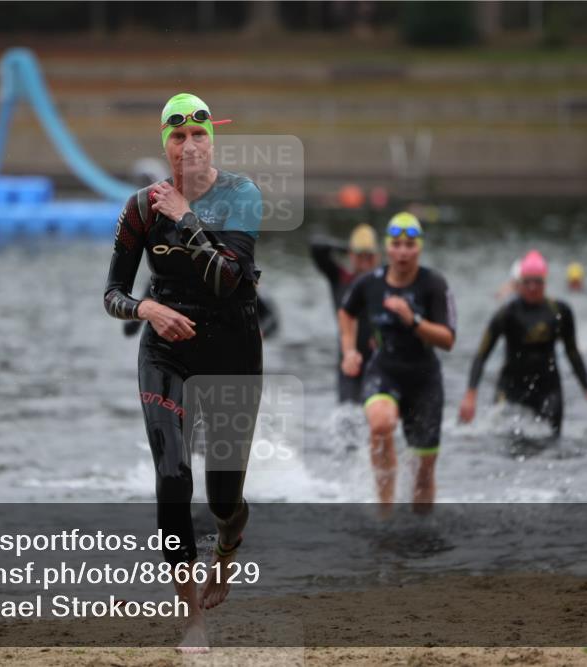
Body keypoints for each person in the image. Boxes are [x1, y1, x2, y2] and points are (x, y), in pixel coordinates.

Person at [103, 93, 262, 652]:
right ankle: (192, 615)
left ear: (211, 141)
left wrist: (187, 218)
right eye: (178, 137)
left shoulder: (241, 195)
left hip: (233, 350)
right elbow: (113, 293)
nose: (189, 147)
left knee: (222, 499)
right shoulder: (141, 207)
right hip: (166, 352)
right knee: (172, 476)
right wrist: (146, 308)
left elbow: (226, 281)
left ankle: (226, 547)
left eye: (198, 136)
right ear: (165, 145)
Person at [337, 212, 456, 510]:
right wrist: (349, 350)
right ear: (388, 247)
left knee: (424, 472)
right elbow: (346, 313)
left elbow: (448, 339)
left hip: (424, 378)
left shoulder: (434, 284)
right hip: (385, 369)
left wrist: (412, 319)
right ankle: (385, 506)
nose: (403, 251)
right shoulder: (370, 283)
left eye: (410, 245)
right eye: (397, 244)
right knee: (380, 424)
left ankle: (420, 527)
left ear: (420, 248)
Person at [459, 250, 587, 439]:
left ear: (545, 282)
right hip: (511, 389)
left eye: (537, 281)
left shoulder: (560, 311)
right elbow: (482, 354)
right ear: (519, 283)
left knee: (553, 443)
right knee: (503, 441)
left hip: (548, 388)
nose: (532, 287)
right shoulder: (507, 313)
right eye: (527, 282)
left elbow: (572, 352)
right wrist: (470, 394)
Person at [310, 224, 380, 403]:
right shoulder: (340, 278)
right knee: (348, 416)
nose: (364, 261)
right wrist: (345, 246)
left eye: (369, 256)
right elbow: (316, 246)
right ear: (350, 254)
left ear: (377, 257)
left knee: (377, 416)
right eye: (359, 255)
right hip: (348, 361)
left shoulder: (384, 281)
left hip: (378, 362)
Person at [123, 284, 278, 340]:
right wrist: (147, 311)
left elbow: (272, 321)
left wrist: (259, 334)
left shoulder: (240, 278)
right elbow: (129, 329)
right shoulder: (158, 282)